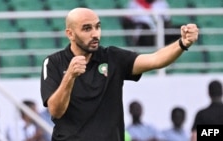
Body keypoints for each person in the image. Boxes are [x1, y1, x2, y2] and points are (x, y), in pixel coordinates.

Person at [40, 7, 198, 141]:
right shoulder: (53, 63)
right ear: (70, 34)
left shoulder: (112, 57)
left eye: (98, 27)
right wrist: (70, 76)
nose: (95, 34)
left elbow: (155, 60)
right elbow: (56, 111)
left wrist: (182, 44)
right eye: (87, 28)